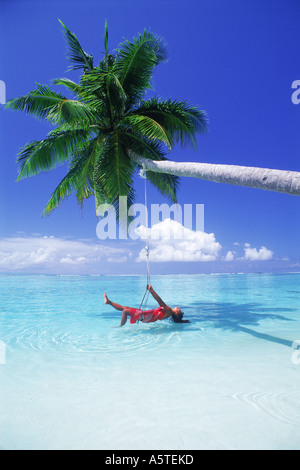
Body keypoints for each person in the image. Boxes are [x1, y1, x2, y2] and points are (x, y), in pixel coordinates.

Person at [104, 284, 190, 327]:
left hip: (144, 316)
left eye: (179, 311)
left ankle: (120, 327)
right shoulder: (168, 313)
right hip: (145, 316)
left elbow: (159, 301)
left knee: (125, 311)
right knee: (125, 308)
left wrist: (151, 290)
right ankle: (109, 302)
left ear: (176, 314)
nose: (178, 308)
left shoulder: (169, 311)